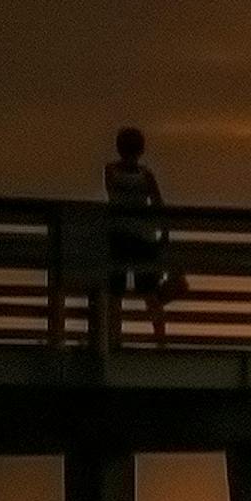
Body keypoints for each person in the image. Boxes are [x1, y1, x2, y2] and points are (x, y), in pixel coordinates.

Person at [101, 127, 178, 346]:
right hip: (143, 238)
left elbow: (111, 193)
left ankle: (114, 340)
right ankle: (160, 340)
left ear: (118, 147)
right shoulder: (146, 175)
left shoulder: (110, 171)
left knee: (116, 293)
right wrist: (164, 234)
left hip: (118, 236)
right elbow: (158, 204)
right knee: (149, 292)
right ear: (141, 149)